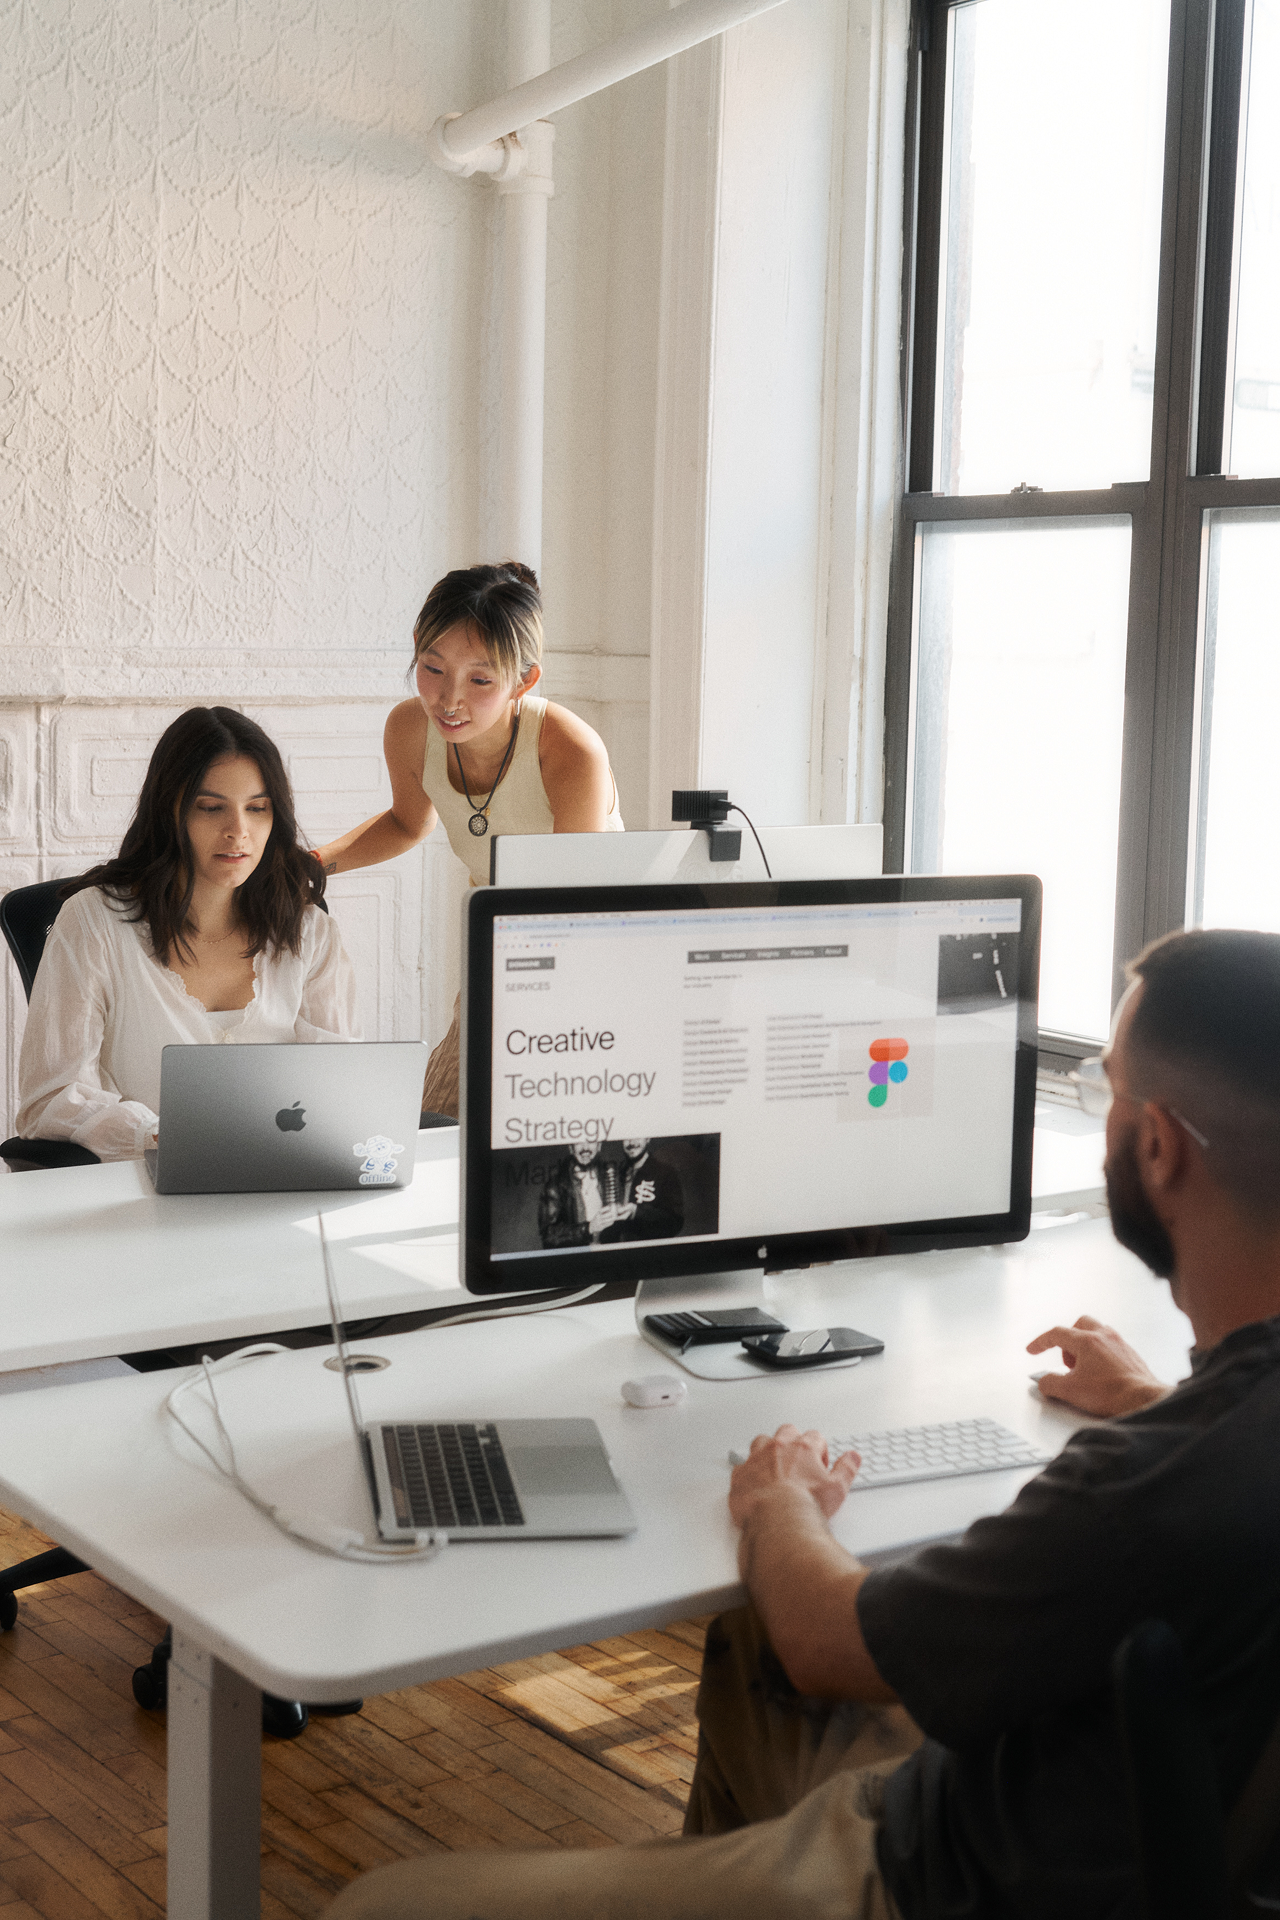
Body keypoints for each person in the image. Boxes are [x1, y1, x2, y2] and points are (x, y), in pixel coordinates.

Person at [327, 926, 1280, 1920]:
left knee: (379, 1906)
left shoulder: (1141, 1490)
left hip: (935, 1880)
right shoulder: (1206, 1444)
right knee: (749, 1648)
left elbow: (830, 1639)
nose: (1100, 1120)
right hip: (1131, 1823)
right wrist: (1157, 1404)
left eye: (1105, 1093)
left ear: (1159, 1146)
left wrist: (779, 1501)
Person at [312, 562, 623, 1116]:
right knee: (444, 1121)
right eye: (432, 668)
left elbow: (576, 905)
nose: (448, 699)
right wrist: (314, 864)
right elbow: (409, 822)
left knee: (536, 1122)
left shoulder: (569, 749)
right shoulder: (409, 729)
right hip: (499, 941)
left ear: (524, 680)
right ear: (416, 647)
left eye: (480, 681)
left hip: (589, 952)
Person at [17, 707, 359, 1163]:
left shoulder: (309, 932)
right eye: (211, 807)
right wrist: (159, 1135)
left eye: (257, 808)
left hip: (280, 1184)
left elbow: (344, 1082)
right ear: (169, 810)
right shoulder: (93, 922)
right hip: (138, 1194)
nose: (238, 831)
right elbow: (51, 1100)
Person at [599, 1135, 685, 1242]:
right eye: (626, 1136)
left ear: (648, 1138)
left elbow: (675, 1223)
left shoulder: (665, 1173)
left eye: (637, 1136)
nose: (631, 1143)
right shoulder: (616, 1172)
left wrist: (636, 1212)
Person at [537, 1141, 612, 1249]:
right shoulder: (556, 1183)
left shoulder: (609, 1175)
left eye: (591, 1141)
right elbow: (548, 1235)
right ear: (571, 1147)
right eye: (579, 1142)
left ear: (599, 1145)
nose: (585, 1147)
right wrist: (588, 1228)